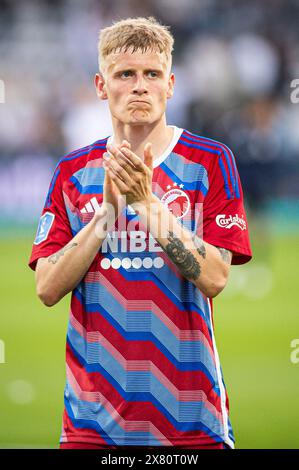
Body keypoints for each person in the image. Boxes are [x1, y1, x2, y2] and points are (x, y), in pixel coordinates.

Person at [28, 17, 252, 450]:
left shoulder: (210, 162)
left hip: (192, 423)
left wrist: (147, 204)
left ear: (170, 85)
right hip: (91, 424)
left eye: (151, 75)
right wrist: (106, 215)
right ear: (100, 85)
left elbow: (215, 278)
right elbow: (47, 288)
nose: (139, 86)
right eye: (124, 74)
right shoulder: (73, 172)